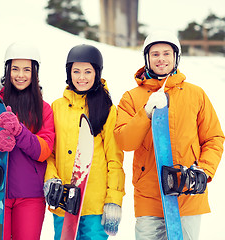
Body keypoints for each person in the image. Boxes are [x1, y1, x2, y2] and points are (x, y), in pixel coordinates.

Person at [114, 30, 224, 240]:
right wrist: (145, 112)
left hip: (188, 192)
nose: (161, 59)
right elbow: (124, 141)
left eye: (167, 53)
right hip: (149, 196)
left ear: (176, 57)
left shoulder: (196, 94)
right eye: (155, 54)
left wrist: (204, 171)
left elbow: (214, 138)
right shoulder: (131, 98)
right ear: (147, 58)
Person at [0, 42, 55, 240]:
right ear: (7, 70)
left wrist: (20, 132)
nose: (20, 75)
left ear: (35, 73)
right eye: (15, 69)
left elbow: (44, 151)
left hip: (30, 195)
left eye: (26, 69)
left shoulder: (44, 109)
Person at [44, 44, 125, 239]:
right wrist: (50, 179)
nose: (82, 77)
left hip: (95, 205)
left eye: (88, 71)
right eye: (76, 71)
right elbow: (50, 152)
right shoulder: (56, 107)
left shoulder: (107, 109)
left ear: (97, 73)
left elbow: (115, 159)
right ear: (68, 73)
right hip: (64, 201)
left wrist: (113, 200)